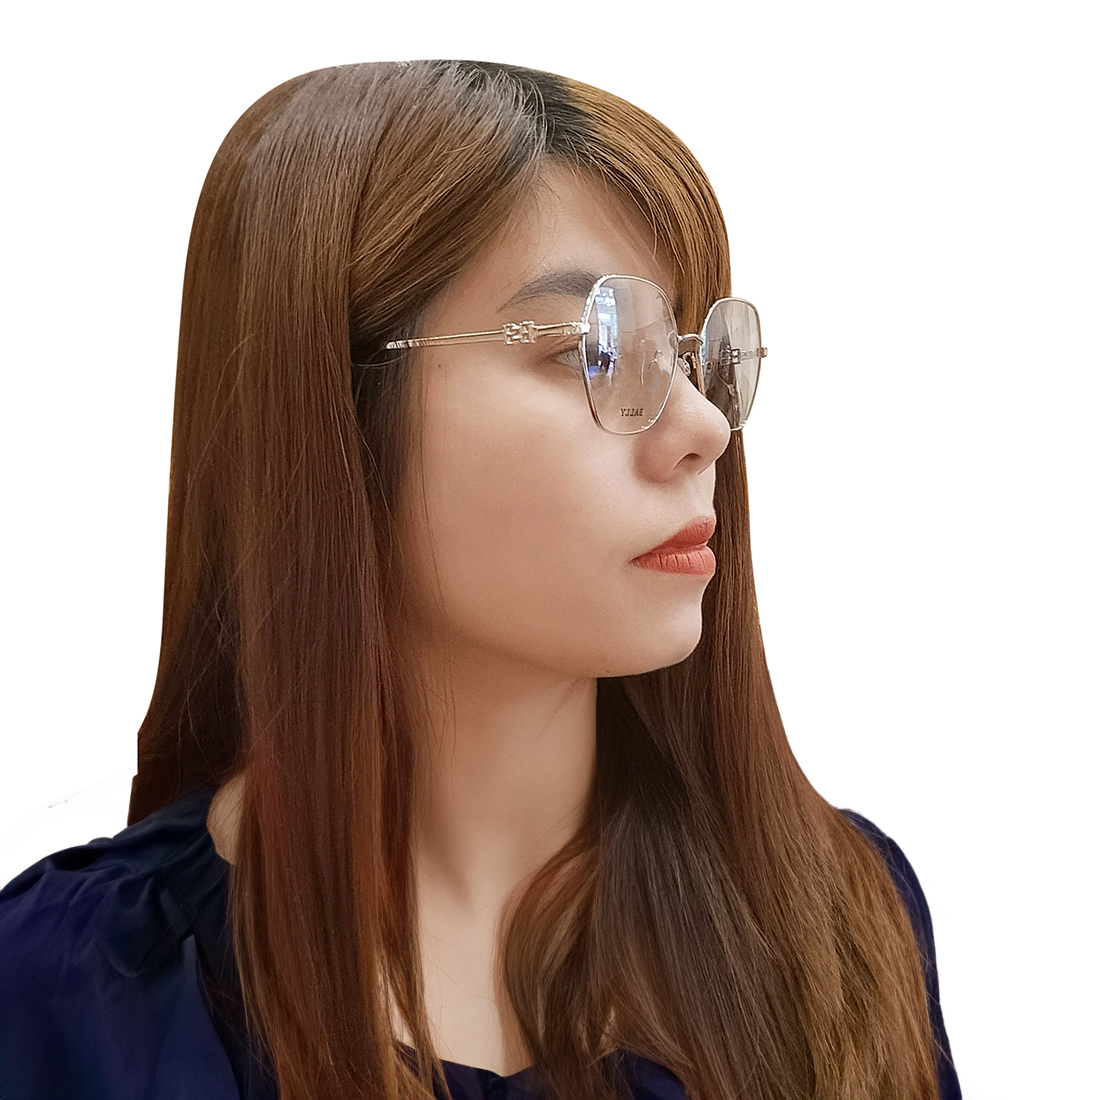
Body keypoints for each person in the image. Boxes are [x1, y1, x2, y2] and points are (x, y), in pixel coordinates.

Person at [0, 60, 962, 1100]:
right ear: (335, 405)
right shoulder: (70, 992)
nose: (702, 427)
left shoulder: (834, 929)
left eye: (690, 353)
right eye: (591, 350)